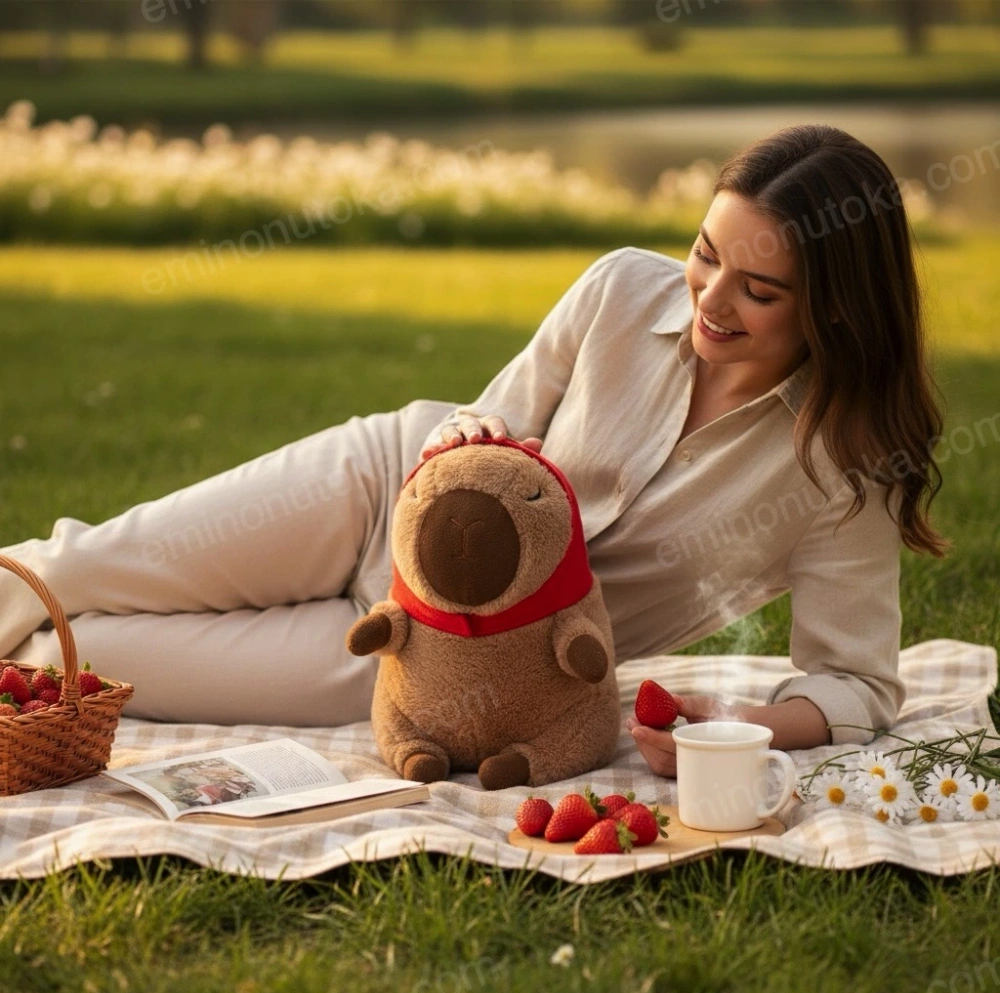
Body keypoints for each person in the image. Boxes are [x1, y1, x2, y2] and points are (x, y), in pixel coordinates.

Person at [0, 124, 948, 777]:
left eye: (759, 290)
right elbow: (494, 417)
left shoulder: (845, 467)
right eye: (705, 254)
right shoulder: (621, 289)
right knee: (82, 563)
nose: (708, 298)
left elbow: (857, 683)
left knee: (83, 660)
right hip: (380, 486)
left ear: (835, 303)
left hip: (446, 657)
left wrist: (739, 727)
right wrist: (465, 435)